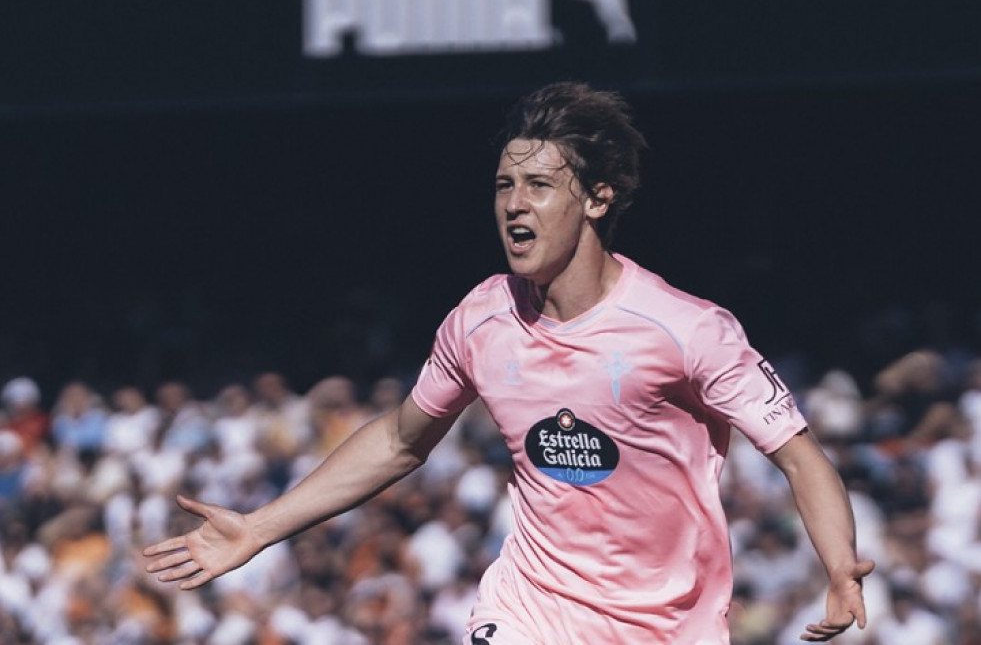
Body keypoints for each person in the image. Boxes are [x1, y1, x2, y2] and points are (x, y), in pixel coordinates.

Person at [144, 82, 874, 643]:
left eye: (537, 185)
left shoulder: (685, 329)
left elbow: (799, 457)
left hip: (666, 624)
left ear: (596, 197)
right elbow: (401, 441)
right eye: (502, 185)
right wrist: (261, 527)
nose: (513, 205)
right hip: (530, 607)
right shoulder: (482, 318)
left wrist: (838, 565)